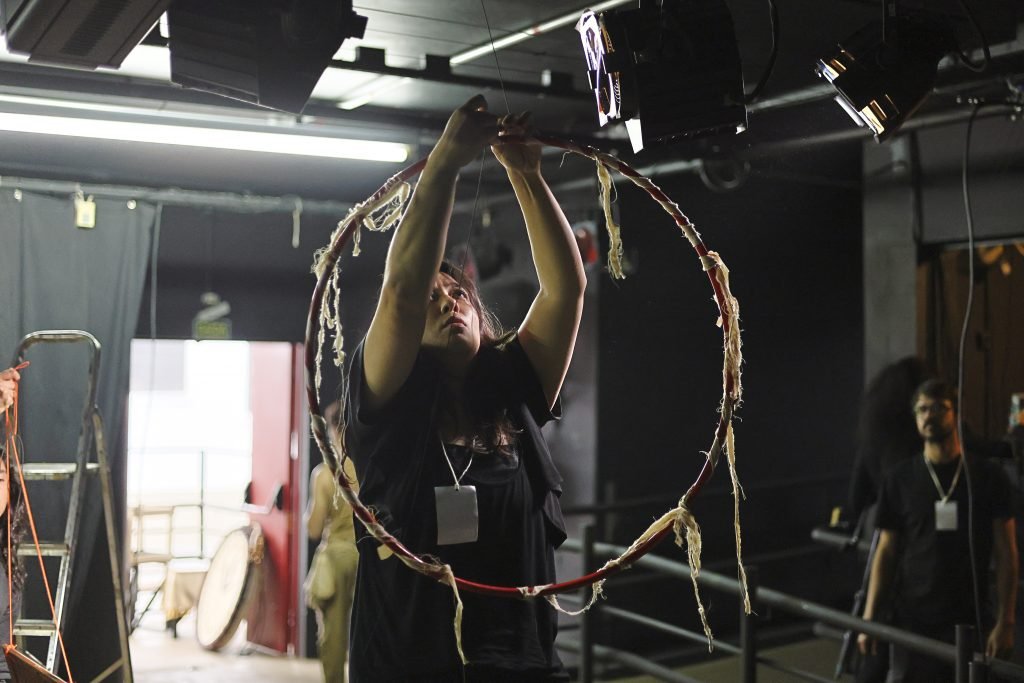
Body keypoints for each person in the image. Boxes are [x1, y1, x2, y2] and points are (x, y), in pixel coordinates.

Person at [344, 95, 586, 682]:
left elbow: (565, 290)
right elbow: (402, 288)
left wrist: (525, 175)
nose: (449, 303)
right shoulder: (383, 403)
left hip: (522, 665)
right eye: (434, 300)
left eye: (459, 297)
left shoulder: (514, 391)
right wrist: (446, 161)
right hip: (411, 668)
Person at [858, 379, 1018, 682]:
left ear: (955, 413)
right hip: (914, 618)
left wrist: (1006, 621)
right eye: (921, 409)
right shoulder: (900, 479)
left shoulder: (986, 476)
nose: (928, 416)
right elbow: (886, 551)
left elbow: (1006, 550)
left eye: (937, 408)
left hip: (971, 617)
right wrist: (869, 617)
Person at [305, 401, 360, 683]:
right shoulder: (368, 467)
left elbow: (314, 529)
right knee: (367, 630)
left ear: (333, 428)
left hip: (337, 557)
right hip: (367, 557)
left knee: (333, 635)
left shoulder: (326, 474)